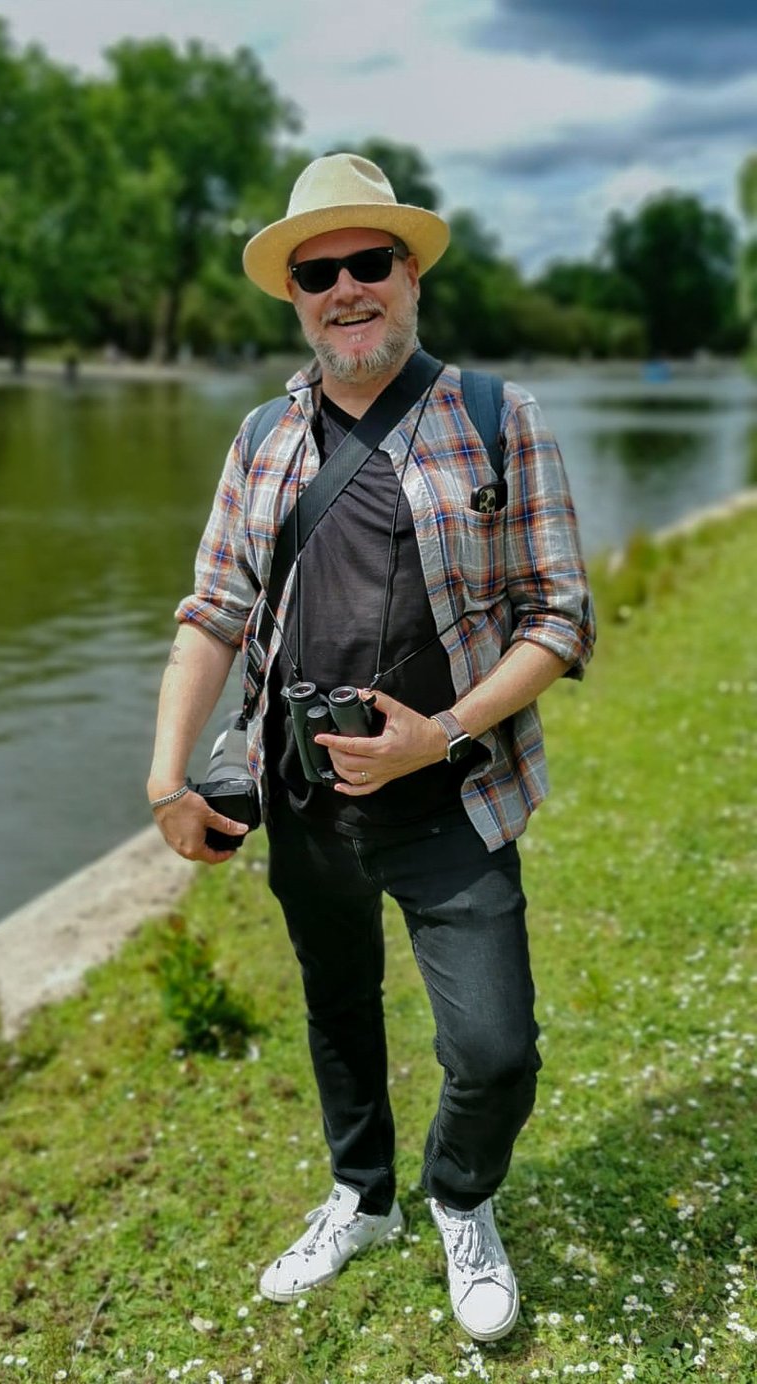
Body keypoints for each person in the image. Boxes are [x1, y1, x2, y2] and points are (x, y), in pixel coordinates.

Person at [147, 153, 595, 1342]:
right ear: (294, 296)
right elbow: (212, 612)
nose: (347, 288)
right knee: (338, 1005)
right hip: (303, 795)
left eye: (369, 262)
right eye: (318, 270)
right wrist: (165, 776)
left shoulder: (503, 418)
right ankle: (363, 1194)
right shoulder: (259, 437)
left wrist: (438, 733)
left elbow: (559, 615)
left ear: (409, 275)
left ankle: (462, 1196)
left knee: (496, 1050)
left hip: (454, 793)